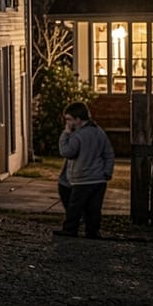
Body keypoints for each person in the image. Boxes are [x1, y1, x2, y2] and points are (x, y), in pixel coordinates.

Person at [54, 101, 115, 239]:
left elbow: (67, 152)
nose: (67, 122)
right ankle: (92, 231)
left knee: (74, 207)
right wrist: (107, 171)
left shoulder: (77, 135)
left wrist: (66, 133)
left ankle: (70, 229)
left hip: (82, 179)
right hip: (99, 179)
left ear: (78, 119)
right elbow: (108, 153)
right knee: (94, 208)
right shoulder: (99, 132)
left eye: (69, 119)